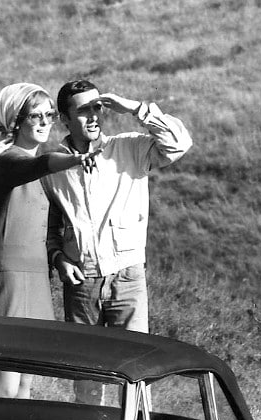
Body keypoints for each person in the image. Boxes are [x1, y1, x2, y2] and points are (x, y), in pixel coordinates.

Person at [43, 79, 193, 336]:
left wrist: (135, 108)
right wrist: (58, 259)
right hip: (82, 282)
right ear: (65, 119)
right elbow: (48, 226)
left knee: (132, 358)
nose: (93, 117)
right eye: (83, 110)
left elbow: (178, 144)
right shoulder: (53, 165)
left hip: (128, 278)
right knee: (83, 359)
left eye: (97, 107)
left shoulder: (129, 148)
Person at [0, 82, 94, 398]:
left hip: (39, 277)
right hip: (11, 280)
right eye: (35, 116)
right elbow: (37, 165)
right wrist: (75, 159)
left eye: (49, 115)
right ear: (16, 121)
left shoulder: (29, 164)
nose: (44, 122)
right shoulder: (6, 160)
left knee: (25, 384)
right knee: (5, 386)